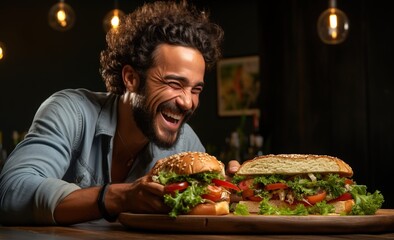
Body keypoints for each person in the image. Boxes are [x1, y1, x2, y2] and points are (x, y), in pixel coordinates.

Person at [0, 0, 231, 225]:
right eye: (174, 84)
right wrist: (119, 197)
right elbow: (11, 192)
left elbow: (209, 211)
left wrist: (239, 189)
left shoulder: (186, 142)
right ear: (131, 78)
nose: (188, 102)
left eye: (196, 89)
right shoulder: (70, 111)